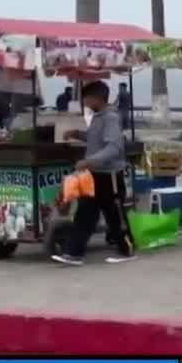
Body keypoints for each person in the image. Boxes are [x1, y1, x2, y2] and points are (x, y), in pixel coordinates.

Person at [54, 80, 135, 266]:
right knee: (85, 214)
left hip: (110, 175)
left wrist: (89, 161)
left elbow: (114, 147)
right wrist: (78, 134)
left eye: (86, 99)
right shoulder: (98, 117)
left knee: (115, 215)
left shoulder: (110, 118)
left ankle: (126, 250)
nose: (84, 102)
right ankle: (73, 253)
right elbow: (96, 138)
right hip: (94, 175)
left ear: (97, 98)